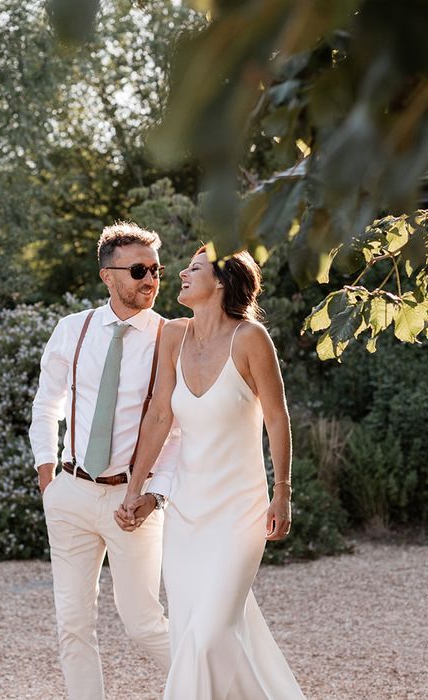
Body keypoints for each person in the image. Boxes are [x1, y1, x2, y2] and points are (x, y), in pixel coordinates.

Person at [116, 246, 307, 699]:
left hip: (239, 514)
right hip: (186, 517)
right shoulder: (173, 336)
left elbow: (277, 417)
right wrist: (134, 489)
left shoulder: (251, 338)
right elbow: (159, 416)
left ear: (221, 281)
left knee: (209, 635)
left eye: (194, 268)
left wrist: (283, 492)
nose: (180, 272)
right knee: (193, 636)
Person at [29, 222, 180, 700]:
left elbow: (178, 428)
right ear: (107, 277)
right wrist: (47, 474)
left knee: (142, 621)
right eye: (138, 270)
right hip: (70, 492)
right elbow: (46, 403)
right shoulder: (72, 331)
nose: (150, 279)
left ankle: (214, 687)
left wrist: (153, 495)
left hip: (131, 500)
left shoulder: (171, 337)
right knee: (72, 624)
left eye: (156, 269)